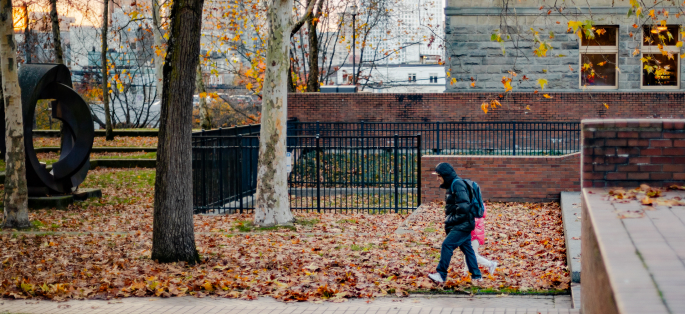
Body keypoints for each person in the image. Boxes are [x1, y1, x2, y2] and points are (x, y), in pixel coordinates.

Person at [428, 162, 482, 284]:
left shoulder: (457, 184)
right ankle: (477, 276)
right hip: (464, 224)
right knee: (468, 250)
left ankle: (441, 275)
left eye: (439, 176)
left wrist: (451, 220)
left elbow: (464, 207)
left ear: (446, 175)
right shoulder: (452, 184)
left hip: (462, 225)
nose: (437, 179)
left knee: (447, 245)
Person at [464, 204, 497, 275]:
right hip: (472, 234)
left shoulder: (476, 207)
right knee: (467, 254)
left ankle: (490, 264)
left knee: (472, 255)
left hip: (475, 235)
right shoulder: (476, 205)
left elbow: (472, 222)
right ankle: (466, 273)